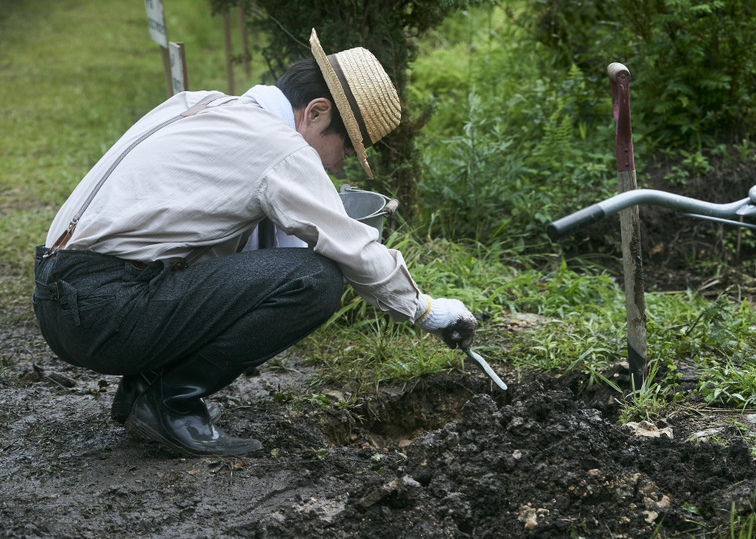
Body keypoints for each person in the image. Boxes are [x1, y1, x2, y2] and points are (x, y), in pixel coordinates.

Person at [32, 30, 477, 457]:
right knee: (315, 279)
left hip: (63, 295)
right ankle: (168, 402)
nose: (341, 165)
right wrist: (426, 310)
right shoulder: (278, 146)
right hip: (104, 309)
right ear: (317, 112)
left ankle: (146, 387)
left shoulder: (204, 104)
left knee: (288, 269)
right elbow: (350, 246)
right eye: (347, 146)